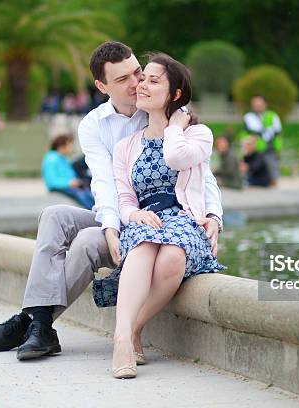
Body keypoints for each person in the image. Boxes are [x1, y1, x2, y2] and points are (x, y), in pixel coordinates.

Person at [0, 41, 223, 363]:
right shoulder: (94, 124)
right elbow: (103, 182)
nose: (136, 84)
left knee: (89, 241)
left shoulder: (166, 113)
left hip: (161, 219)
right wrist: (112, 225)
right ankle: (40, 322)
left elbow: (202, 173)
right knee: (54, 214)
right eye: (122, 80)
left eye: (138, 73)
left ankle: (31, 321)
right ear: (102, 86)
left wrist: (214, 214)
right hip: (120, 213)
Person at [93, 53, 225, 378]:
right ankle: (122, 339)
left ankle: (135, 327)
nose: (142, 85)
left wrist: (175, 126)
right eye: (144, 78)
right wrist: (133, 214)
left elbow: (178, 159)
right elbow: (124, 197)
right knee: (143, 244)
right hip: (146, 217)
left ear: (175, 94)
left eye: (154, 80)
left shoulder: (198, 134)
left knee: (171, 259)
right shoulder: (126, 146)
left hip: (183, 219)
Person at [41, 134, 94, 209]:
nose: (70, 147)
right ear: (62, 146)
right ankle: (92, 212)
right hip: (60, 187)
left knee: (89, 190)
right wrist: (70, 183)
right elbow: (51, 180)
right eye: (69, 145)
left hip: (69, 184)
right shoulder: (51, 159)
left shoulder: (62, 158)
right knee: (82, 194)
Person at [243, 95, 282, 187]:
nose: (257, 105)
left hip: (269, 149)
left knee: (272, 174)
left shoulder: (273, 116)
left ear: (265, 104)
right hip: (254, 150)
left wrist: (278, 149)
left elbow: (278, 134)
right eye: (255, 103)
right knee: (251, 173)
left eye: (259, 103)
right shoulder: (249, 117)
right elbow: (249, 132)